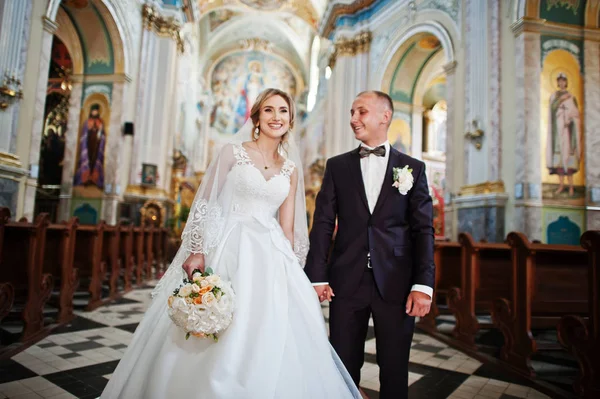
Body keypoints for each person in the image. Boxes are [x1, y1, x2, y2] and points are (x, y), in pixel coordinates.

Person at [101, 88, 360, 399]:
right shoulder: (231, 152)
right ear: (256, 117)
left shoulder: (290, 170)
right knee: (218, 320)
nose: (275, 117)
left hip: (272, 253)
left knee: (272, 328)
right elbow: (206, 204)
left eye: (282, 111)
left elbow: (288, 227)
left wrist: (292, 268)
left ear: (291, 119)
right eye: (268, 110)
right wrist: (197, 250)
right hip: (230, 244)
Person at [305, 91, 435, 399]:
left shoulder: (412, 169)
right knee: (343, 364)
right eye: (352, 112)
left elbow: (423, 230)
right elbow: (323, 223)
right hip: (346, 280)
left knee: (394, 366)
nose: (353, 119)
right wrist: (317, 275)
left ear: (384, 116)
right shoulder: (337, 166)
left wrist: (424, 285)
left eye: (361, 112)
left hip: (397, 282)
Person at [546, 73, 582, 197]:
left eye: (563, 81)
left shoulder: (572, 97)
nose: (561, 83)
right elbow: (552, 111)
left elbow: (577, 116)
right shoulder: (554, 96)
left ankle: (571, 186)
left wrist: (571, 121)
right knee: (559, 161)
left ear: (566, 82)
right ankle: (561, 186)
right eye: (559, 81)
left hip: (568, 132)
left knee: (569, 159)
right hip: (557, 132)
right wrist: (559, 101)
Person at [74, 103, 106, 188]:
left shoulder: (100, 122)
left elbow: (102, 134)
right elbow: (84, 134)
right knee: (87, 161)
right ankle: (86, 179)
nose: (95, 112)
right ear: (91, 111)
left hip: (97, 145)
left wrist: (100, 134)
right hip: (88, 146)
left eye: (96, 111)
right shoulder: (87, 122)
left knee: (94, 162)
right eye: (93, 111)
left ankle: (94, 179)